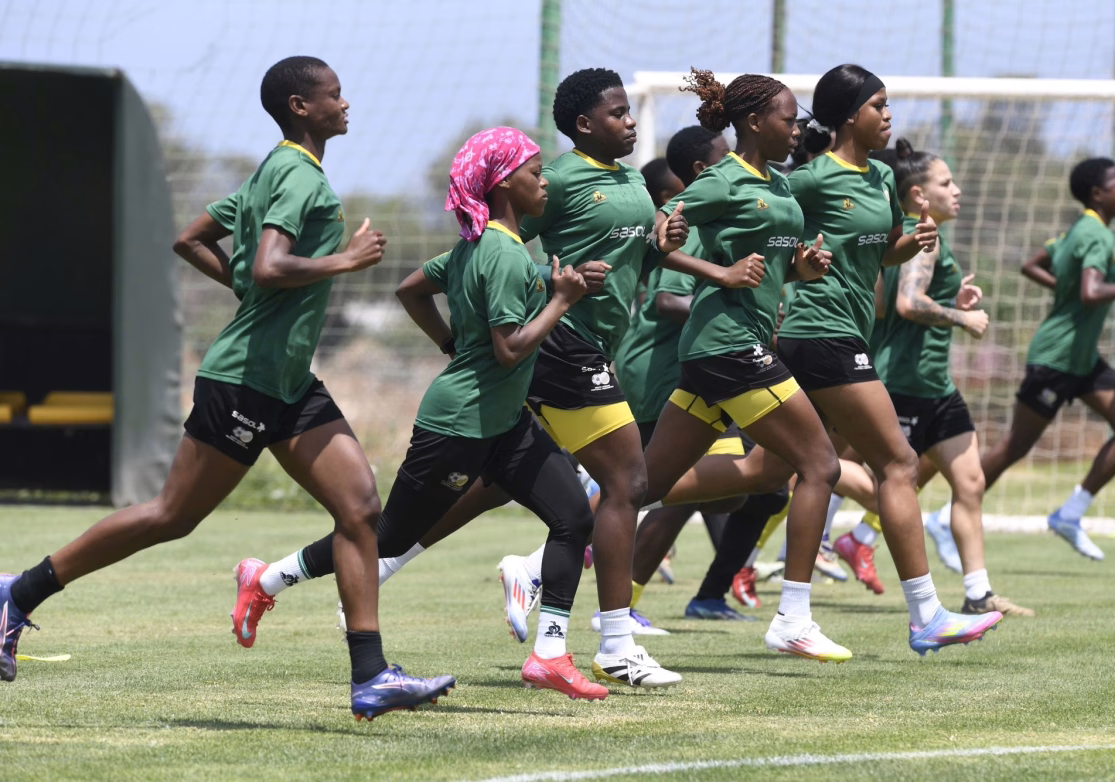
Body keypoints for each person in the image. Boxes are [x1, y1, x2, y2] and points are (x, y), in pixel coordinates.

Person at [245, 68, 731, 689]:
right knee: (625, 483)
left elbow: (601, 258)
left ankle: (286, 574)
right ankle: (613, 642)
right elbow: (491, 267)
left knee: (488, 497)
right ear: (582, 127)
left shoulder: (631, 181)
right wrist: (547, 301)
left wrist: (662, 242)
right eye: (617, 112)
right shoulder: (543, 196)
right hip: (561, 349)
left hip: (562, 358)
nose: (631, 121)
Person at [0, 57, 456, 718]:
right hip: (245, 380)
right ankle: (18, 594)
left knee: (360, 509)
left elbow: (191, 240)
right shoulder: (296, 175)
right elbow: (268, 265)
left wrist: (250, 287)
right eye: (334, 94)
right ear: (300, 107)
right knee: (171, 516)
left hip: (289, 382)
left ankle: (371, 676)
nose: (346, 103)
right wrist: (344, 260)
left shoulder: (275, 169)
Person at [631, 67, 861, 661]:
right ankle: (794, 618)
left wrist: (801, 269)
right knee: (820, 465)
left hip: (727, 349)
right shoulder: (724, 179)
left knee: (645, 486)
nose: (798, 128)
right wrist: (720, 273)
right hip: (728, 344)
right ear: (755, 122)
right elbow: (659, 232)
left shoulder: (779, 183)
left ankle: (534, 566)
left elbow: (772, 262)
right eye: (789, 119)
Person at [775, 63, 1003, 654]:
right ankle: (926, 615)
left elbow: (883, 253)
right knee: (898, 463)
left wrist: (915, 240)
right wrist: (788, 267)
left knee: (775, 471)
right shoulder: (811, 178)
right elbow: (767, 232)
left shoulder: (879, 176)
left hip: (844, 335)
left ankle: (606, 513)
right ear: (851, 115)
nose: (889, 114)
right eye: (879, 104)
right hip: (819, 330)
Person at [926, 157, 1115, 561]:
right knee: (1015, 445)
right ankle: (945, 518)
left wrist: (1066, 290)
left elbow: (1032, 265)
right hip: (1055, 359)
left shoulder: (1079, 230)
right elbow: (1090, 292)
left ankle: (1070, 514)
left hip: (1082, 359)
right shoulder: (1096, 235)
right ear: (1098, 194)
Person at [870, 139, 1032, 616]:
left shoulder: (918, 237)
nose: (957, 190)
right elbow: (907, 304)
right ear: (919, 195)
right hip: (904, 384)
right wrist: (964, 318)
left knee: (971, 482)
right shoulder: (924, 235)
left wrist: (950, 299)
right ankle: (833, 532)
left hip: (935, 386)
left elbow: (902, 302)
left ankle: (979, 594)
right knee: (869, 478)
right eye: (947, 183)